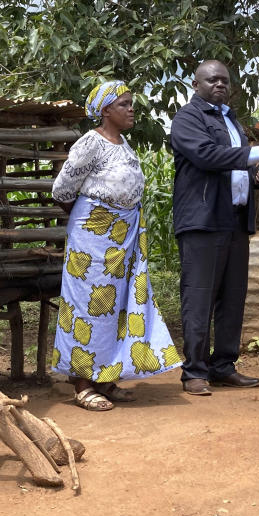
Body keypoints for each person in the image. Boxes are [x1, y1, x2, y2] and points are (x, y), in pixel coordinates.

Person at [51, 80, 181, 410]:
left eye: (130, 103)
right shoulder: (90, 143)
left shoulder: (123, 144)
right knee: (88, 306)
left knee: (116, 306)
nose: (131, 109)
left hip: (123, 238)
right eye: (124, 104)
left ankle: (106, 380)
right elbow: (62, 191)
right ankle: (82, 385)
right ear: (106, 110)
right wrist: (95, 220)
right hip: (93, 240)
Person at [170, 60, 259, 396]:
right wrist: (258, 152)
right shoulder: (188, 118)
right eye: (212, 80)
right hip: (202, 220)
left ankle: (223, 366)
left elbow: (234, 169)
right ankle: (194, 371)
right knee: (199, 296)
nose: (220, 85)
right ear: (197, 85)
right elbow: (207, 156)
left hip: (235, 219)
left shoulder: (230, 119)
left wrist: (258, 179)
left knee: (232, 297)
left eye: (225, 80)